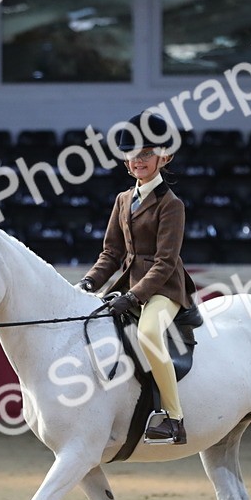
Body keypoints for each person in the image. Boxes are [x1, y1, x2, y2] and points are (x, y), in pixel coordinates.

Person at [77, 112, 195, 445]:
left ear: (164, 157)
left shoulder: (171, 205)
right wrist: (88, 283)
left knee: (148, 333)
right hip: (128, 286)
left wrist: (134, 297)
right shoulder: (123, 200)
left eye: (146, 153)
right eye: (132, 154)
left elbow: (165, 262)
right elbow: (111, 253)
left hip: (164, 289)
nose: (138, 160)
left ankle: (174, 418)